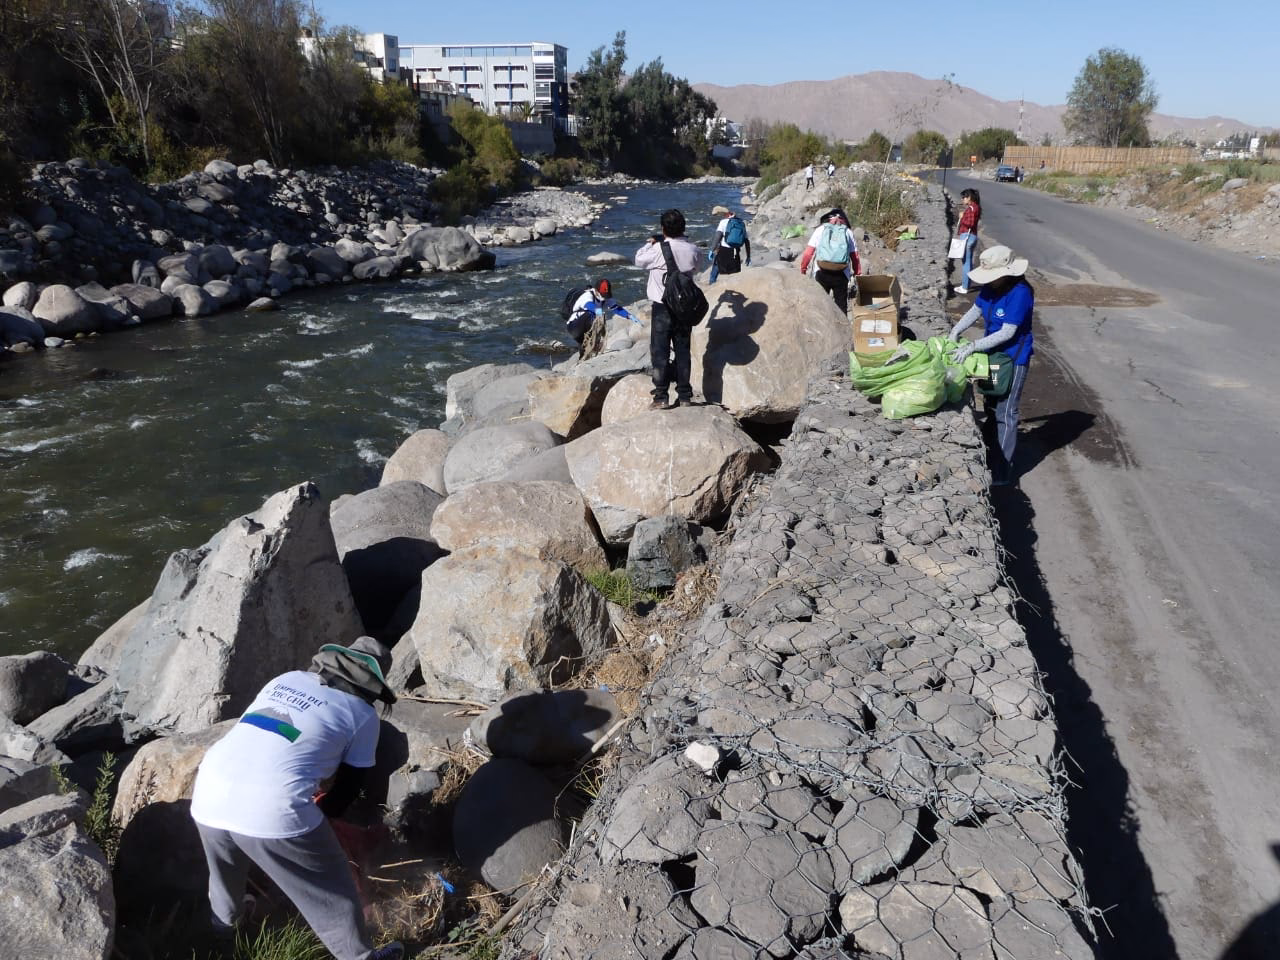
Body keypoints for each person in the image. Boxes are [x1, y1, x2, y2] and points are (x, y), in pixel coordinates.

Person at [190, 636, 403, 960]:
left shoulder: (287, 679)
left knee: (225, 876)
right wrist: (322, 814)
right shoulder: (363, 714)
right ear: (373, 684)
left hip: (208, 791)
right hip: (272, 808)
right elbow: (346, 791)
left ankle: (221, 937)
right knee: (334, 889)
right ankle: (360, 957)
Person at [949, 245, 1034, 486]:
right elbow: (976, 310)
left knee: (1006, 412)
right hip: (992, 355)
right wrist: (956, 329)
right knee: (991, 405)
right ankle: (987, 452)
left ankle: (1001, 471)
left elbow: (1008, 332)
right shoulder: (991, 287)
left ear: (1005, 272)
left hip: (1012, 358)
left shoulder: (1020, 292)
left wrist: (972, 346)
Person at [635, 208, 704, 409]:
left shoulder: (656, 250)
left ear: (663, 229)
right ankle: (684, 396)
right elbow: (697, 268)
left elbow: (639, 260)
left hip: (662, 307)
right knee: (683, 350)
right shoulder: (693, 249)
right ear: (684, 228)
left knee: (660, 352)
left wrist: (651, 242)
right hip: (684, 308)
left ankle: (661, 397)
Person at [798, 208, 860, 314]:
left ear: (828, 218)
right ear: (843, 219)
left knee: (820, 306)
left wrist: (803, 269)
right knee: (841, 307)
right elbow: (855, 256)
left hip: (821, 271)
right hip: (841, 274)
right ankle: (842, 329)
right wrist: (857, 273)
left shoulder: (820, 230)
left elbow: (808, 253)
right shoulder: (848, 232)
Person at [563, 278, 634, 358]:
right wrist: (599, 312)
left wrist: (630, 316)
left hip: (585, 325)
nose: (604, 297)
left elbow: (616, 308)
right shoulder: (587, 295)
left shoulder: (605, 298)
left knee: (584, 345)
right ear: (596, 291)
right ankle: (587, 350)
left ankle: (584, 356)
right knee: (590, 315)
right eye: (602, 295)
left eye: (606, 295)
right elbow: (589, 305)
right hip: (574, 326)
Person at [708, 208, 751, 283]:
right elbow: (746, 240)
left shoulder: (723, 222)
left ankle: (712, 283)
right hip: (735, 250)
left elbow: (717, 237)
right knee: (734, 270)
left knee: (716, 266)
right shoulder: (741, 223)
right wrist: (748, 256)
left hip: (724, 250)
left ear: (726, 215)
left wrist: (712, 250)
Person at [953, 188, 981, 294]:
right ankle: (966, 285)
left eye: (964, 197)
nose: (962, 199)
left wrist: (962, 216)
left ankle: (964, 287)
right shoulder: (975, 207)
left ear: (969, 197)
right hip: (971, 236)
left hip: (967, 236)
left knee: (966, 262)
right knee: (967, 261)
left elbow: (970, 223)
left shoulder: (972, 208)